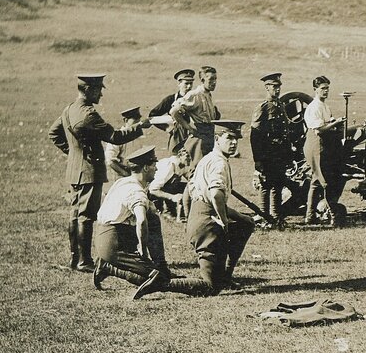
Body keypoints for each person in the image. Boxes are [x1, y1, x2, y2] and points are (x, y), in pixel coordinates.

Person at [134, 121, 256, 299]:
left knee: (245, 224)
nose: (234, 142)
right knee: (210, 287)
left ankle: (225, 277)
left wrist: (241, 217)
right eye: (229, 138)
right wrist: (223, 220)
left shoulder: (207, 159)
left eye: (236, 139)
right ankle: (161, 283)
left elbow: (191, 193)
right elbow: (216, 195)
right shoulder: (218, 164)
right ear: (217, 139)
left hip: (200, 220)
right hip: (208, 227)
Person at [48, 74, 149, 272]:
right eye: (98, 90)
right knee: (86, 215)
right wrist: (140, 127)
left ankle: (75, 259)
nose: (101, 94)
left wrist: (74, 153)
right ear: (87, 90)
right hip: (89, 171)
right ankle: (84, 261)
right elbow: (115, 137)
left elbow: (54, 133)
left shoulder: (69, 109)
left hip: (75, 170)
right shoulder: (89, 114)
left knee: (75, 213)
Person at [91, 146, 166, 293]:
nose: (156, 169)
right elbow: (141, 221)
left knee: (152, 218)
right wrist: (143, 250)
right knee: (158, 278)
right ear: (145, 168)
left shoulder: (123, 182)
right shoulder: (136, 191)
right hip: (113, 243)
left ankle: (160, 266)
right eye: (154, 166)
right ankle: (108, 267)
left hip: (104, 238)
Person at [250, 72, 293, 227]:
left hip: (280, 153)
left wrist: (288, 155)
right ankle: (264, 216)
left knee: (278, 185)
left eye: (279, 86)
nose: (277, 89)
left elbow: (286, 133)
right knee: (266, 185)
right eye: (274, 87)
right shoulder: (262, 108)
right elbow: (255, 136)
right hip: (267, 153)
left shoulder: (281, 106)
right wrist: (258, 159)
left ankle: (275, 217)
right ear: (267, 88)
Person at [302, 75, 346, 226]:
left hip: (325, 145)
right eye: (323, 89)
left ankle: (310, 216)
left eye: (327, 88)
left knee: (316, 181)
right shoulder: (314, 107)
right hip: (317, 145)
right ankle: (333, 215)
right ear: (315, 90)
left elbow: (326, 123)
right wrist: (335, 123)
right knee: (325, 181)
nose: (326, 91)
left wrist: (335, 122)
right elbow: (319, 129)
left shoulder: (325, 106)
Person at [170, 65, 220, 171]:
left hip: (209, 135)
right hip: (199, 137)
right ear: (202, 80)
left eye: (215, 79)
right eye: (211, 79)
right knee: (198, 169)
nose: (214, 82)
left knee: (209, 168)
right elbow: (174, 111)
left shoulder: (208, 94)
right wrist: (189, 128)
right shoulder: (195, 95)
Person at [148, 69, 195, 153]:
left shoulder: (197, 99)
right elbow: (153, 115)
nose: (189, 87)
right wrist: (167, 128)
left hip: (194, 135)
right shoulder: (170, 99)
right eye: (186, 83)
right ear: (179, 84)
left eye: (191, 83)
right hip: (177, 136)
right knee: (175, 158)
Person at [149, 148, 191, 221]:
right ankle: (164, 211)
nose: (189, 159)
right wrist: (172, 197)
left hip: (164, 189)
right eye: (187, 156)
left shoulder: (182, 164)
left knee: (186, 186)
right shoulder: (169, 166)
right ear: (180, 155)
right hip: (151, 194)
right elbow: (153, 190)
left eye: (191, 156)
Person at [104, 107, 143, 179]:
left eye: (138, 119)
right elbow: (110, 161)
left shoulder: (137, 135)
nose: (138, 122)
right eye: (135, 119)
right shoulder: (118, 137)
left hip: (136, 174)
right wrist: (126, 174)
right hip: (122, 175)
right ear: (125, 120)